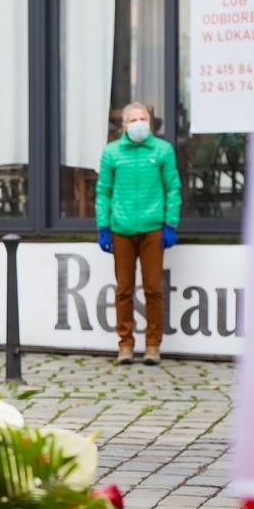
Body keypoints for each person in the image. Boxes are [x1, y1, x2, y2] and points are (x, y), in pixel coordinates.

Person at [95, 101, 180, 366]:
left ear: (150, 124)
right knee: (124, 290)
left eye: (143, 118)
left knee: (153, 289)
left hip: (153, 229)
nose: (138, 124)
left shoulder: (163, 150)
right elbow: (103, 192)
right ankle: (125, 345)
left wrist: (170, 224)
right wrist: (103, 227)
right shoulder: (111, 153)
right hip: (121, 229)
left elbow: (173, 189)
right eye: (133, 120)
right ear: (123, 126)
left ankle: (153, 346)